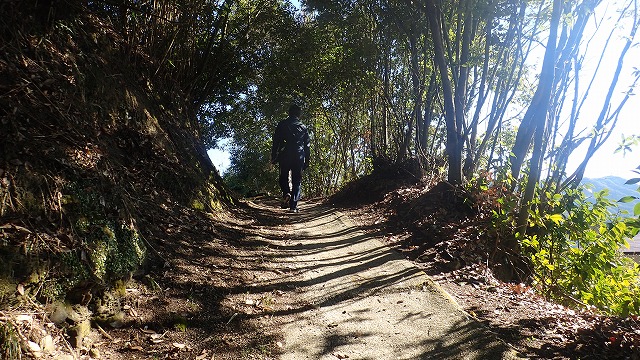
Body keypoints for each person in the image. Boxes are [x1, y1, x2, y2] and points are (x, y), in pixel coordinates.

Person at [271, 104, 310, 212]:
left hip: (285, 155)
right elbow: (307, 146)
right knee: (297, 181)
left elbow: (276, 142)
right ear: (299, 114)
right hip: (299, 155)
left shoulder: (282, 124)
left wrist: (273, 156)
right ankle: (293, 206)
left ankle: (286, 193)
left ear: (289, 113)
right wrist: (307, 160)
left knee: (283, 177)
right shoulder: (303, 127)